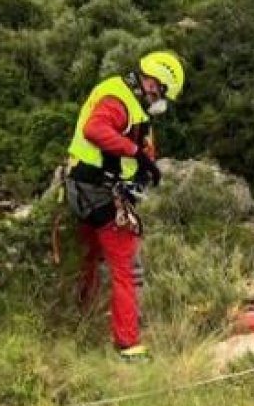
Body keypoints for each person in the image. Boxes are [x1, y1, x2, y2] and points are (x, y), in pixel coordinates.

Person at [64, 50, 185, 362]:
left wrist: (144, 163)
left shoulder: (128, 99)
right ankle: (128, 345)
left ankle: (78, 320)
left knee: (87, 259)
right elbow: (96, 129)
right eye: (161, 93)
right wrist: (136, 154)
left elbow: (137, 139)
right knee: (126, 268)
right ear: (152, 83)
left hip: (86, 187)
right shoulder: (118, 100)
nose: (160, 101)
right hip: (98, 192)